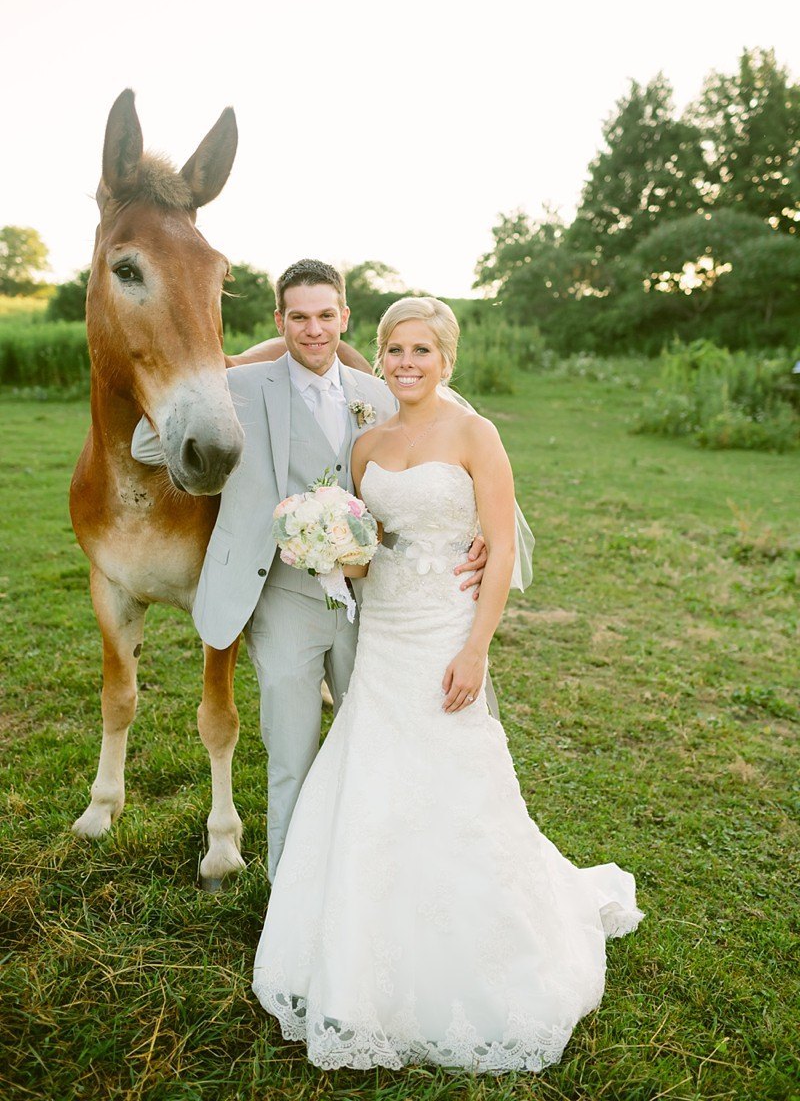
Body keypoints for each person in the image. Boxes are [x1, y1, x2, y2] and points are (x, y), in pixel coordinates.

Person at [252, 296, 643, 1074]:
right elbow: (370, 547)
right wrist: (328, 543)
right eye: (394, 349)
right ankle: (363, 948)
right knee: (373, 778)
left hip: (446, 632)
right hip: (386, 633)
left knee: (457, 779)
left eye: (421, 350)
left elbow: (498, 550)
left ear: (447, 358)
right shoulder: (367, 443)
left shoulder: (475, 434)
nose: (404, 363)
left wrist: (476, 648)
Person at [130, 260, 488, 883]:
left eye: (326, 316)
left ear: (344, 318)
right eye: (299, 316)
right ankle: (288, 900)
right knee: (291, 758)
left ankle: (372, 884)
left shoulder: (377, 394)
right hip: (280, 601)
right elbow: (144, 444)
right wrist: (204, 404)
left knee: (372, 748)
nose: (314, 329)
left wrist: (474, 531)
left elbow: (440, 461)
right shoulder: (238, 385)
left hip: (371, 607)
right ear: (280, 321)